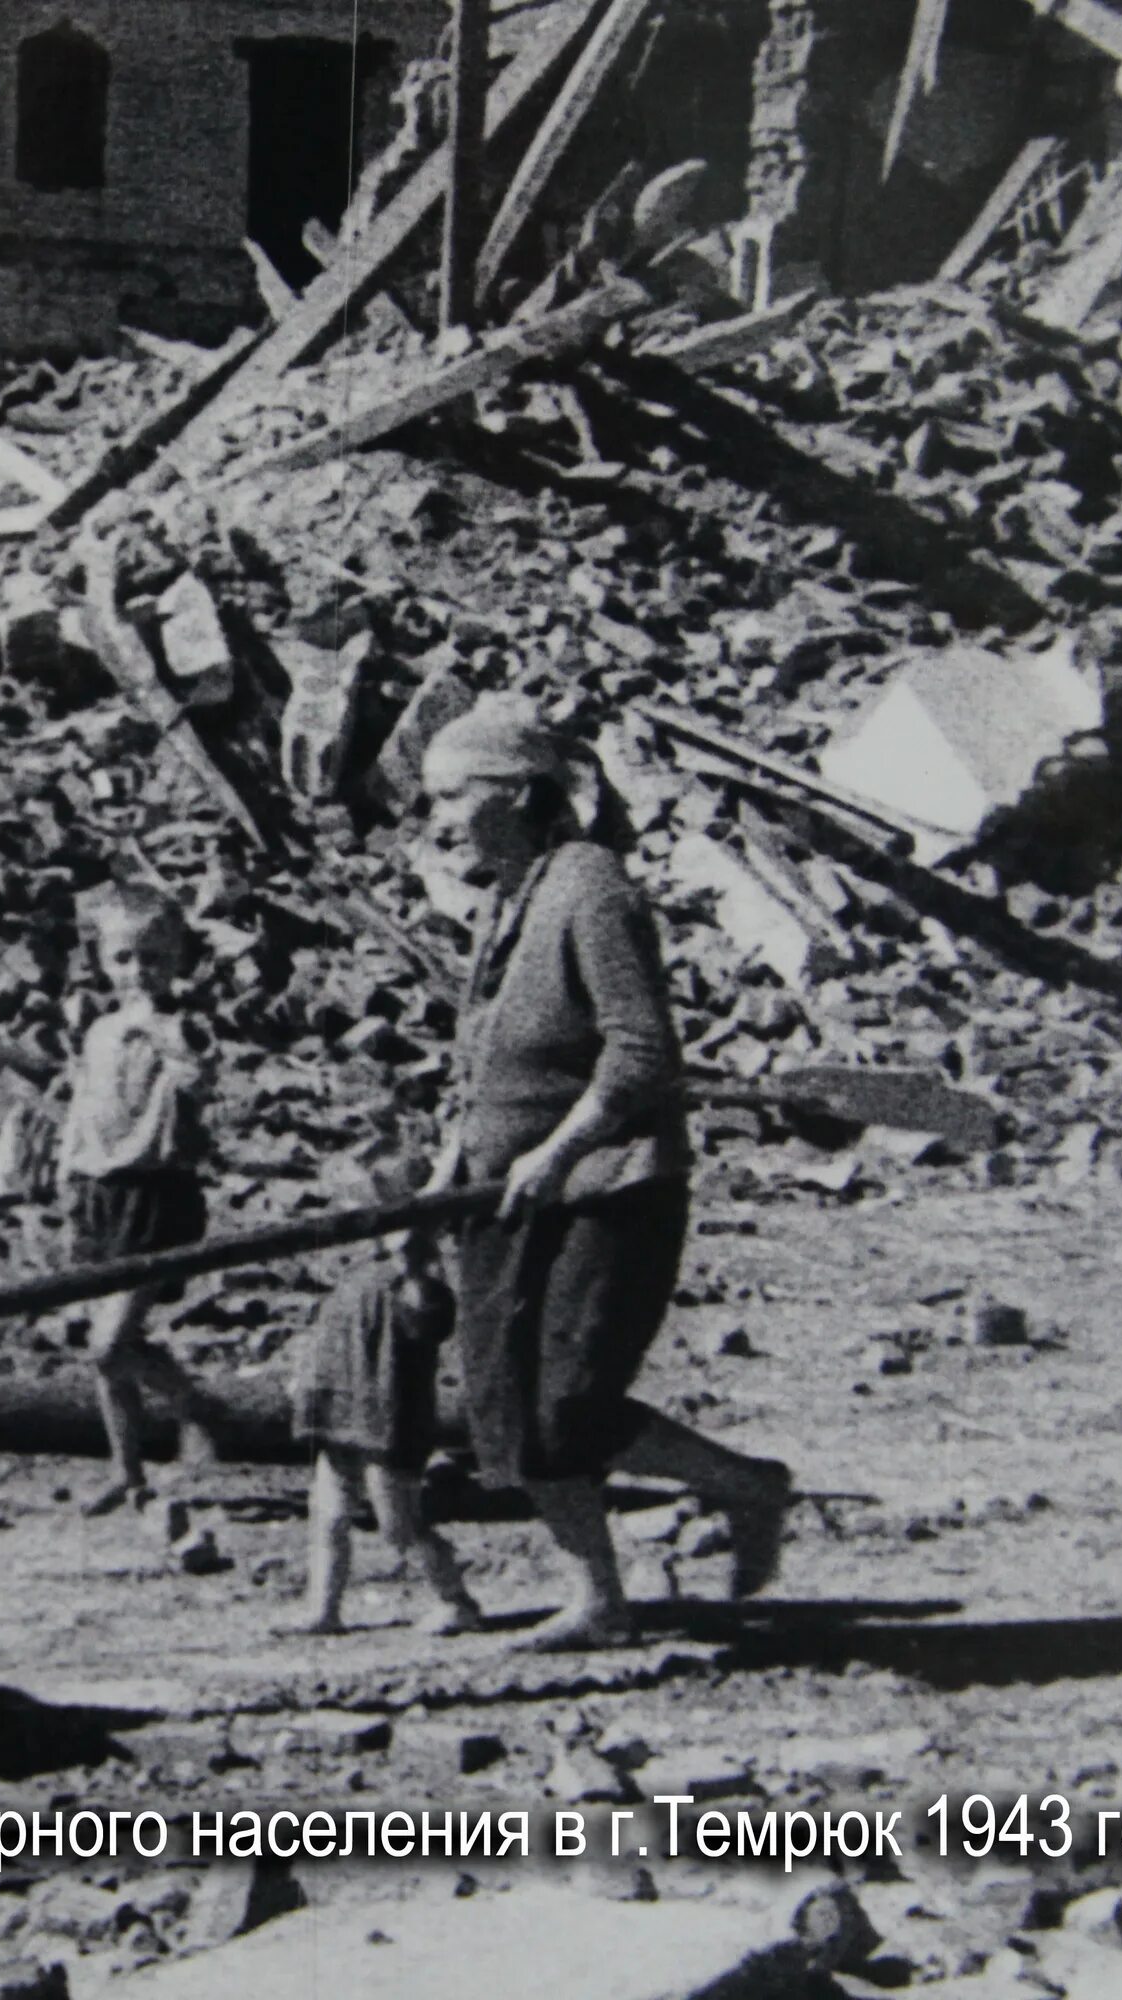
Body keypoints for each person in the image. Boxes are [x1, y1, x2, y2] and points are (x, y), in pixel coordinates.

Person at [418, 694, 791, 1651]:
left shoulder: (593, 889)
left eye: (453, 795)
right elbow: (483, 1072)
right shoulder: (509, 899)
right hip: (503, 1195)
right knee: (508, 1409)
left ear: (517, 792)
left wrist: (556, 1153)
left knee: (568, 1399)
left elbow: (639, 1056)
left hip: (611, 1188)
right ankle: (600, 1601)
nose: (438, 817)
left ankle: (744, 1486)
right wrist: (444, 1175)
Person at [54, 882, 226, 1516]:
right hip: (99, 1188)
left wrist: (166, 1035)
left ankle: (193, 1404)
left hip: (154, 1192)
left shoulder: (178, 1028)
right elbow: (84, 1103)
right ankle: (127, 1470)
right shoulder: (99, 1030)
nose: (139, 972)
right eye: (125, 959)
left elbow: (201, 1079)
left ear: (178, 958)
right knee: (104, 1355)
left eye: (154, 958)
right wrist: (69, 1169)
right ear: (103, 960)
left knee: (110, 1341)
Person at [280, 1211, 482, 1636]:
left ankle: (456, 1599)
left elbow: (431, 1325)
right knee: (328, 1511)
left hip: (390, 1419)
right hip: (342, 1410)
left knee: (398, 1523)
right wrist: (309, 1381)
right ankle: (323, 1608)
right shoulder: (358, 1276)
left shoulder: (425, 1286)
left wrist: (413, 1272)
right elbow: (330, 1335)